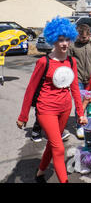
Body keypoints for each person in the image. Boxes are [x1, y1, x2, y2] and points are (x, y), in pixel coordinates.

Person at [16, 17, 87, 183]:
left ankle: (40, 172)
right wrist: (23, 116)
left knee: (52, 144)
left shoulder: (71, 61)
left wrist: (80, 113)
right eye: (60, 40)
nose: (64, 44)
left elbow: (75, 89)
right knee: (58, 146)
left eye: (67, 39)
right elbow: (31, 89)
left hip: (64, 108)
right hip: (46, 109)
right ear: (53, 40)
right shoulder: (43, 61)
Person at [69, 23, 91, 140]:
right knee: (80, 102)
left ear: (89, 35)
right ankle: (80, 125)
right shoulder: (72, 46)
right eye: (80, 37)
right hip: (77, 78)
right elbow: (67, 62)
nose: (82, 39)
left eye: (85, 37)